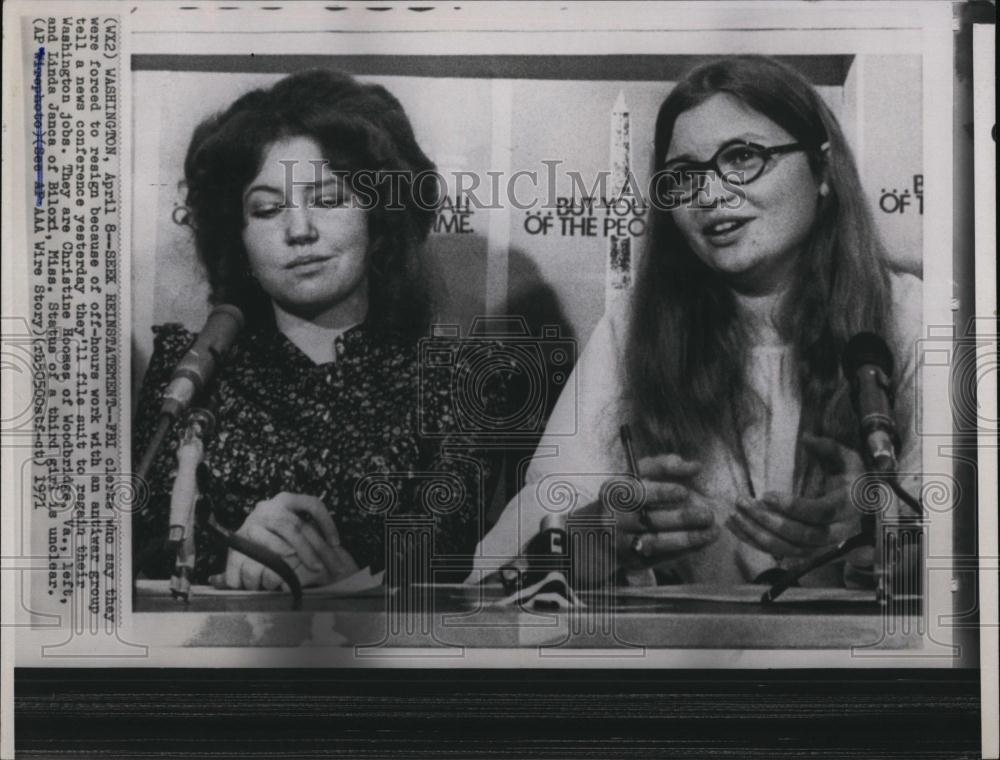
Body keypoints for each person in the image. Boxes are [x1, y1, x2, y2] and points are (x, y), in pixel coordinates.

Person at [473, 55, 922, 587]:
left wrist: (881, 529)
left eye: (743, 157)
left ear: (822, 170)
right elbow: (501, 569)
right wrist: (592, 536)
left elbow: (974, 559)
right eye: (684, 176)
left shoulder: (911, 317)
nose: (711, 195)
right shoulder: (632, 331)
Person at [133, 69, 503, 590]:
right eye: (267, 209)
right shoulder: (189, 368)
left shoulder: (452, 379)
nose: (300, 230)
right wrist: (228, 552)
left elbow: (449, 554)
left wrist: (349, 580)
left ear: (377, 217)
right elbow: (141, 546)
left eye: (328, 200)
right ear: (237, 237)